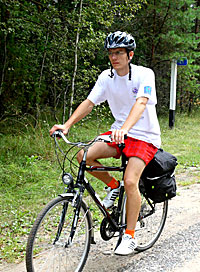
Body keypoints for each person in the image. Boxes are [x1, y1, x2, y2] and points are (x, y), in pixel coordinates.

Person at [49, 31, 161, 256]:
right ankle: (113, 186)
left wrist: (125, 130)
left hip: (144, 135)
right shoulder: (106, 77)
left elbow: (141, 103)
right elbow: (89, 102)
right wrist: (67, 124)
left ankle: (129, 236)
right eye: (111, 53)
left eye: (119, 52)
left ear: (130, 54)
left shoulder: (144, 74)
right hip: (118, 132)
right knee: (83, 156)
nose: (114, 57)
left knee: (131, 181)